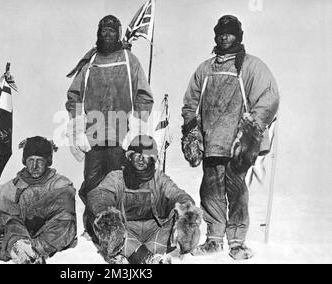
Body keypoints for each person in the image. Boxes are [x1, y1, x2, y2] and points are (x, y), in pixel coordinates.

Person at [181, 15, 280, 260]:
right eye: (221, 32)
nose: (225, 37)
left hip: (238, 145)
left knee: (236, 193)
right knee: (210, 192)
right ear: (216, 36)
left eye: (230, 32)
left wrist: (251, 127)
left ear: (238, 35)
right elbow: (190, 104)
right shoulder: (205, 69)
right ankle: (214, 239)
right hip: (211, 142)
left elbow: (270, 96)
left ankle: (237, 242)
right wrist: (192, 129)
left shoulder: (251, 66)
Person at [65, 15, 154, 239]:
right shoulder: (91, 62)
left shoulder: (129, 60)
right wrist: (77, 128)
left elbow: (143, 96)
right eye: (103, 30)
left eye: (111, 30)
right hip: (94, 134)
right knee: (93, 182)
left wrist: (136, 129)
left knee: (119, 181)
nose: (107, 34)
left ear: (119, 33)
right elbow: (74, 96)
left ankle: (119, 227)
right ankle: (93, 227)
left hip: (120, 135)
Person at [86, 135, 202, 264]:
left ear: (152, 159)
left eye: (147, 155)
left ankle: (136, 255)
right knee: (101, 216)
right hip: (125, 231)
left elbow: (177, 194)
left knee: (180, 214)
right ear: (129, 156)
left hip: (155, 232)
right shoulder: (116, 177)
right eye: (137, 154)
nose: (141, 158)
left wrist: (186, 212)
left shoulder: (159, 179)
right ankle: (145, 257)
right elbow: (99, 194)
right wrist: (105, 213)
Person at [0, 136, 77, 264]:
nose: (34, 165)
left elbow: (65, 218)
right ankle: (23, 250)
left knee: (65, 217)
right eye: (30, 160)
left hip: (49, 235)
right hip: (20, 233)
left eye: (40, 160)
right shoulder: (12, 187)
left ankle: (29, 251)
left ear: (48, 161)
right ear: (24, 161)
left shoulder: (60, 183)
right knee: (11, 221)